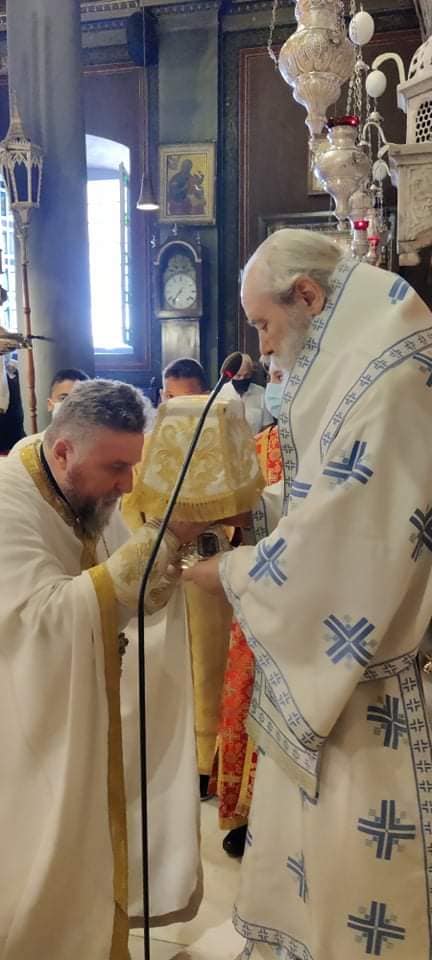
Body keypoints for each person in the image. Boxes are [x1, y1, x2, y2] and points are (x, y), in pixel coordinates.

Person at [184, 228, 432, 959]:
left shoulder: (391, 380)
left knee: (363, 880)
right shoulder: (365, 358)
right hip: (346, 673)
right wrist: (248, 517)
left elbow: (351, 540)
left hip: (376, 690)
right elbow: (329, 495)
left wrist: (233, 573)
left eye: (263, 324)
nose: (261, 347)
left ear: (308, 297)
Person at [0, 378, 206, 960]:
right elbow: (41, 618)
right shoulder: (9, 502)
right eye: (116, 467)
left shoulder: (80, 493)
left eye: (132, 465)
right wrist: (161, 542)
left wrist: (167, 551)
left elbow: (122, 589)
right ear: (64, 450)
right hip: (25, 718)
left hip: (78, 707)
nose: (127, 484)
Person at [123, 356, 232, 801]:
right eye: (170, 400)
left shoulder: (226, 442)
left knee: (212, 665)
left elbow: (246, 508)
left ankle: (211, 759)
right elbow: (131, 507)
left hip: (213, 570)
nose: (179, 410)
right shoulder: (149, 446)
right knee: (167, 664)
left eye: (189, 401)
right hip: (163, 569)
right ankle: (175, 755)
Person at [218, 359, 284, 859]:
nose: (277, 384)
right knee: (246, 702)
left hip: (305, 602)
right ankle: (247, 812)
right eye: (274, 377)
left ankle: (278, 818)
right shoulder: (258, 444)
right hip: (257, 593)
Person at [9, 366, 89, 454]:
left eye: (78, 399)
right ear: (50, 404)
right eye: (63, 398)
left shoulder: (97, 448)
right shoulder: (24, 449)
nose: (70, 405)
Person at [219, 352, 273, 435]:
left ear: (251, 373)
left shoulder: (261, 393)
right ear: (232, 375)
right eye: (238, 376)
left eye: (247, 375)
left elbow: (267, 428)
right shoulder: (220, 394)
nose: (242, 379)